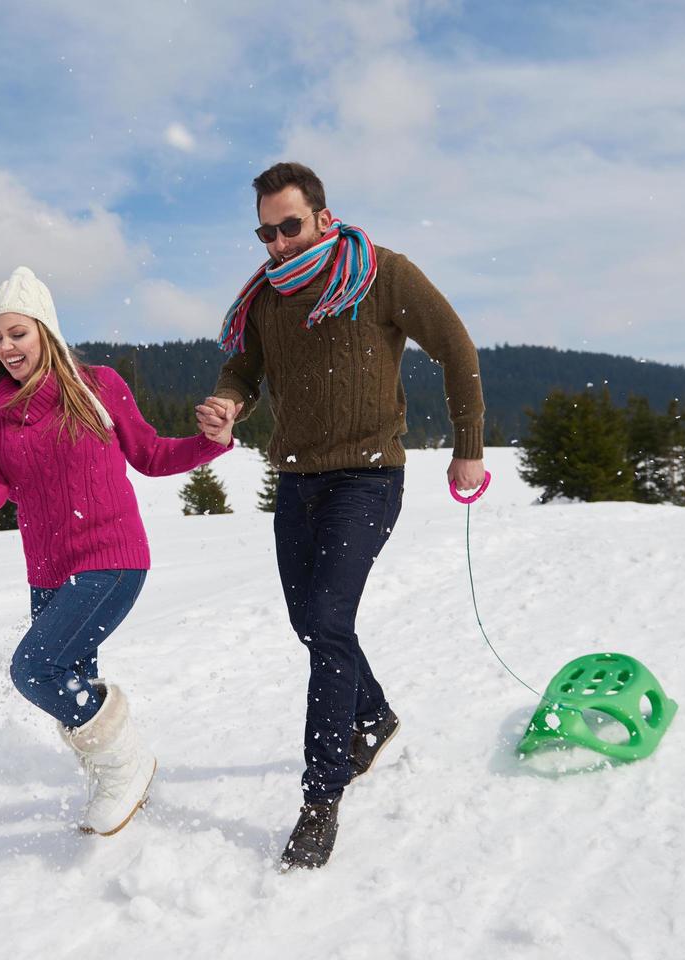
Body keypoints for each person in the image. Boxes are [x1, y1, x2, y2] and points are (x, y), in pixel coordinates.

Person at [195, 162, 486, 869]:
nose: (277, 244)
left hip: (367, 476)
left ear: (323, 218)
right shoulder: (267, 297)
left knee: (326, 624)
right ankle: (374, 715)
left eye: (289, 226)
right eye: (264, 232)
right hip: (294, 482)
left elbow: (455, 349)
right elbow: (244, 368)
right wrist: (230, 401)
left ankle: (319, 799)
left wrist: (467, 448)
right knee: (311, 624)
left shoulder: (381, 273)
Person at [0, 266, 234, 836]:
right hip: (48, 570)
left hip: (112, 556)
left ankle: (127, 764)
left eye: (18, 334)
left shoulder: (97, 386)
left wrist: (208, 444)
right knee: (72, 678)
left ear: (45, 333)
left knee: (33, 670)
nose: (6, 348)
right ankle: (114, 775)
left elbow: (149, 454)